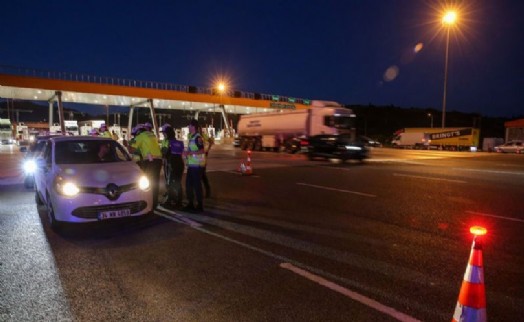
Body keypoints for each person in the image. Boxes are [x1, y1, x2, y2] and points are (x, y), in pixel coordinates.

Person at [129, 124, 162, 209]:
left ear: (138, 131)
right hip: (158, 160)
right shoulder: (151, 134)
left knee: (148, 182)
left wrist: (128, 144)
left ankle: (149, 203)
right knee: (155, 182)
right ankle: (154, 203)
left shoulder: (141, 136)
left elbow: (131, 150)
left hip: (150, 161)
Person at [182, 119, 206, 212]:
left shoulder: (197, 137)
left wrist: (190, 152)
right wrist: (187, 153)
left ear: (193, 127)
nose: (188, 127)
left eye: (189, 126)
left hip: (197, 166)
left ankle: (200, 205)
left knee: (197, 186)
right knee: (188, 185)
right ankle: (190, 203)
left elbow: (202, 150)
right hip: (191, 166)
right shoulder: (191, 137)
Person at [160, 124, 185, 208]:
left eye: (165, 133)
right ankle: (179, 202)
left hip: (171, 164)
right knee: (178, 183)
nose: (164, 135)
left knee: (169, 184)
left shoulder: (169, 142)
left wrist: (162, 152)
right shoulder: (179, 142)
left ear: (168, 133)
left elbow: (165, 153)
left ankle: (169, 201)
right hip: (180, 164)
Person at [201, 127, 214, 198]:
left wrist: (207, 150)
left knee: (202, 175)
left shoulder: (203, 135)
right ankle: (206, 191)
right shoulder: (192, 135)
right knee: (201, 176)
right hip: (196, 158)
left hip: (202, 157)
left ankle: (207, 191)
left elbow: (211, 141)